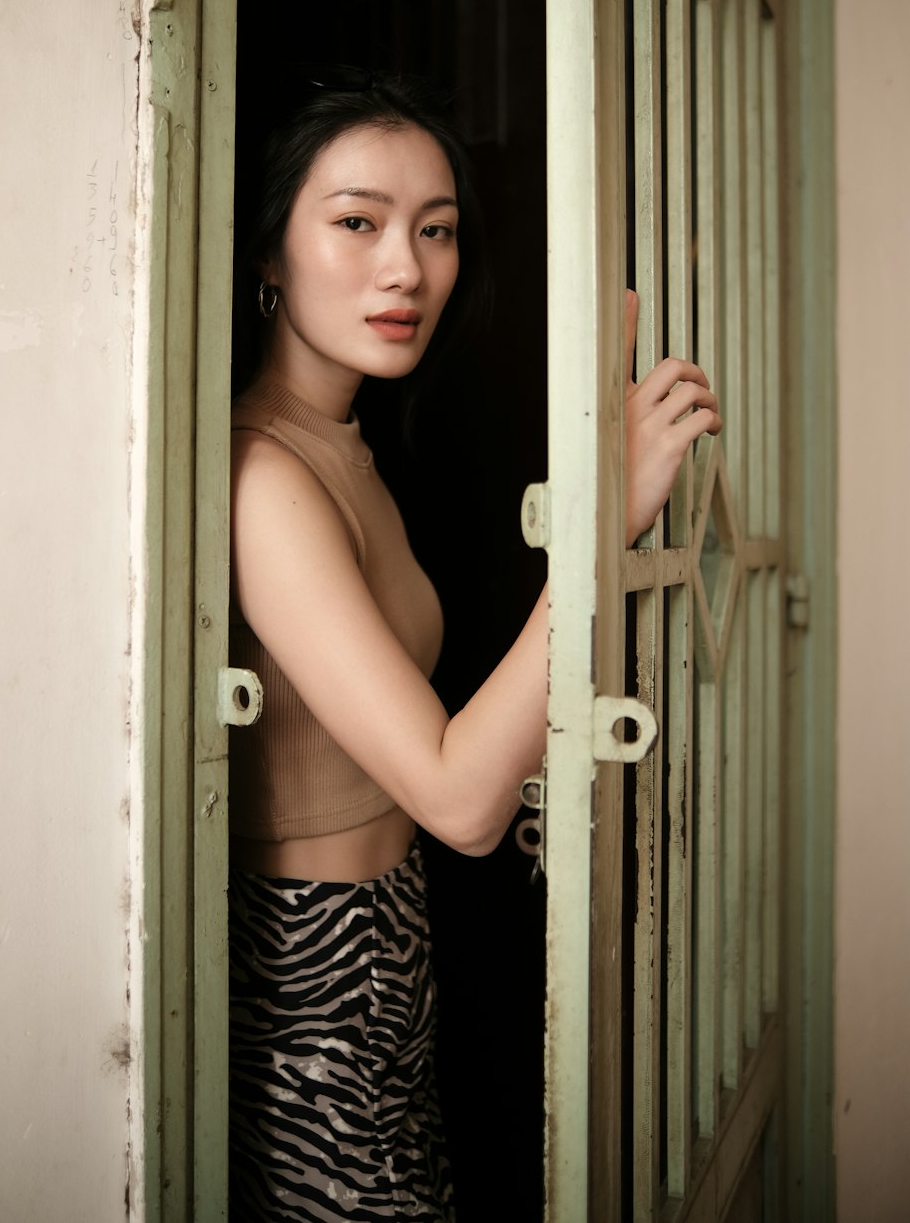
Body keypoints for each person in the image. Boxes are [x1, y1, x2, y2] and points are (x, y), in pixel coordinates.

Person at [227, 69, 721, 1221]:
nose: (406, 268)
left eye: (435, 230)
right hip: (313, 989)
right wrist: (599, 531)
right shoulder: (264, 478)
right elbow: (458, 799)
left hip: (384, 961)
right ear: (267, 255)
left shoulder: (341, 442)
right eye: (355, 222)